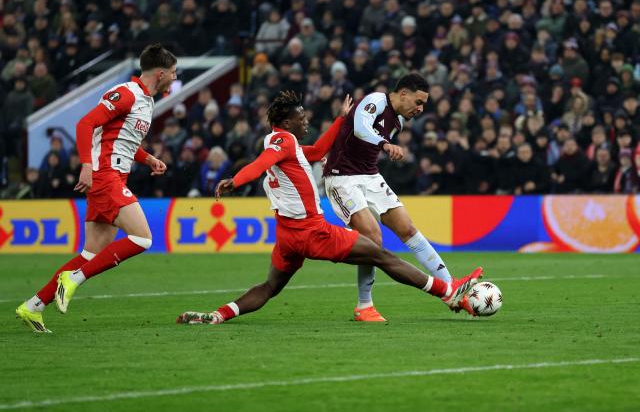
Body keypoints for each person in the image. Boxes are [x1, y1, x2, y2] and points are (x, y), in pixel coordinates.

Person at [177, 91, 482, 325]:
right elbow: (259, 165)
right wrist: (237, 180)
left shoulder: (287, 144)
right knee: (383, 255)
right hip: (312, 231)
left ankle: (217, 315)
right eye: (301, 118)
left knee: (270, 286)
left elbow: (320, 150)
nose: (305, 121)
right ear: (286, 123)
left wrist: (341, 119)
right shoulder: (282, 141)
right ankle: (447, 292)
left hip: (287, 236)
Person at [16, 44, 176, 333]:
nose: (175, 79)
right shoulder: (127, 93)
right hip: (106, 176)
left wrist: (148, 158)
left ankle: (34, 305)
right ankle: (74, 279)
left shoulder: (147, 101)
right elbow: (86, 124)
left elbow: (121, 139)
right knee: (143, 238)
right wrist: (87, 166)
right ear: (161, 73)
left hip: (114, 176)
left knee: (90, 255)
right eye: (174, 73)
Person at [322, 73, 477, 321]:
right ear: (403, 94)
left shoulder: (399, 122)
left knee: (407, 227)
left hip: (370, 176)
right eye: (418, 102)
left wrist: (382, 144)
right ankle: (364, 306)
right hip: (342, 179)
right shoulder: (375, 100)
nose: (420, 108)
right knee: (372, 237)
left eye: (423, 104)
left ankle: (451, 288)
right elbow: (361, 129)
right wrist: (385, 144)